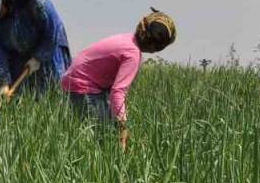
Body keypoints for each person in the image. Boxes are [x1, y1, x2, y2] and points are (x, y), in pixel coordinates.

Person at [61, 9, 178, 150]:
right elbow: (118, 91)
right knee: (105, 140)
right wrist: (123, 126)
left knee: (95, 133)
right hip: (84, 87)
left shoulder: (127, 40)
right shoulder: (132, 54)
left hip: (72, 82)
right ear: (156, 47)